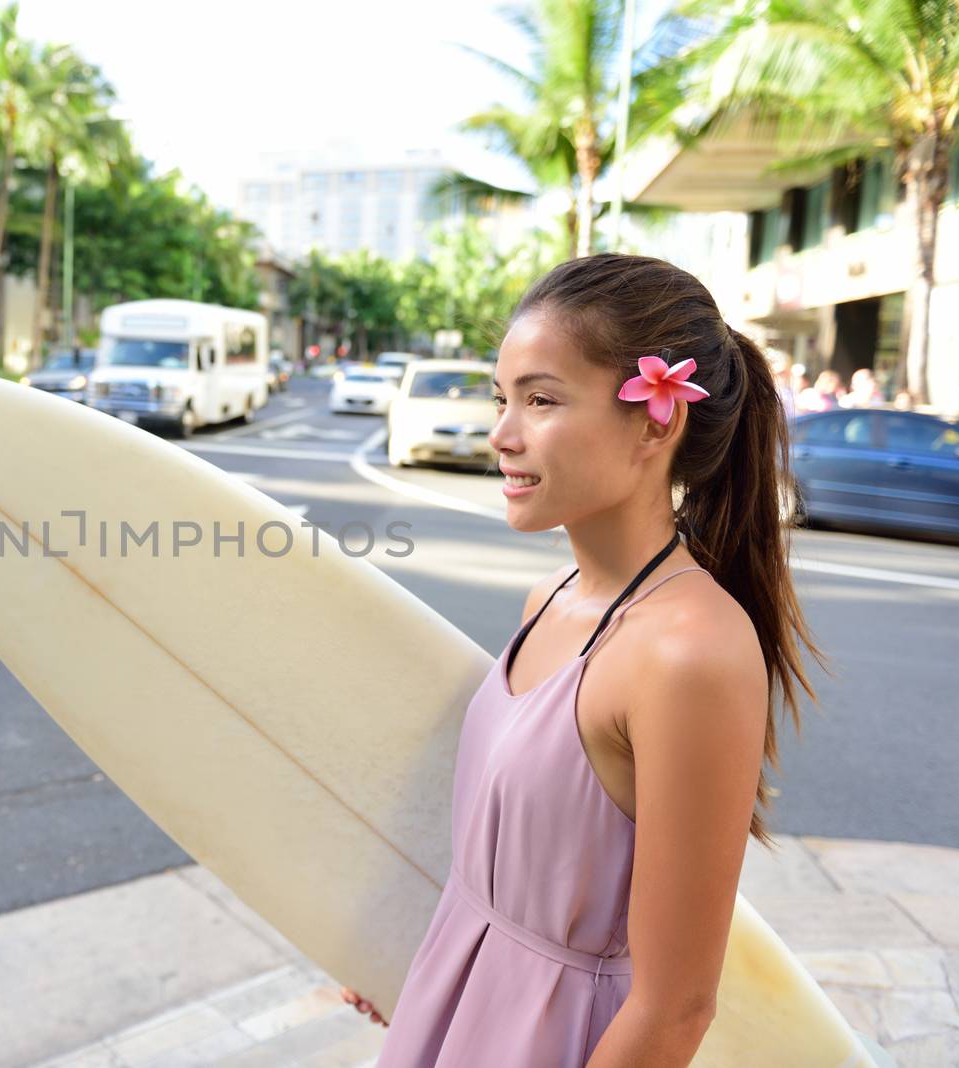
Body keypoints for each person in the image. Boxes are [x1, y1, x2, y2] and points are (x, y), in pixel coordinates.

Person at [343, 254, 821, 1067]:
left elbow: (675, 1010)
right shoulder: (549, 599)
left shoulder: (687, 653)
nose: (501, 433)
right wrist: (430, 973)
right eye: (503, 398)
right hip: (453, 1016)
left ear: (656, 421)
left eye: (541, 399)